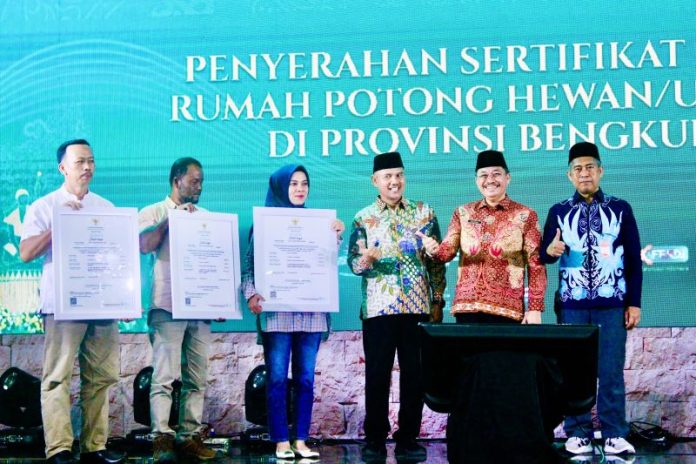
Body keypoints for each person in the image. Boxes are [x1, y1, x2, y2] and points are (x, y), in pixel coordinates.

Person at [19, 139, 126, 464]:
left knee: (101, 377)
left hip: (102, 305)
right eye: (80, 161)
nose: (87, 167)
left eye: (91, 161)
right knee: (57, 377)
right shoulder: (44, 206)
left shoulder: (106, 207)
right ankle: (59, 448)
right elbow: (26, 253)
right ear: (62, 167)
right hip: (61, 307)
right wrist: (59, 225)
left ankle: (95, 446)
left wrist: (123, 298)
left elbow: (117, 257)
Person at [540, 141, 642, 456]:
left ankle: (614, 433)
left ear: (600, 171)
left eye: (589, 168)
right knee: (574, 371)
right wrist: (550, 250)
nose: (584, 173)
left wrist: (634, 303)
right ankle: (578, 432)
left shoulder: (620, 208)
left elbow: (634, 260)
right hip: (572, 305)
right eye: (578, 169)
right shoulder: (558, 211)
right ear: (569, 176)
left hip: (612, 303)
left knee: (611, 370)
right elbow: (543, 255)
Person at [347, 152, 446, 461]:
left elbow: (437, 260)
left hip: (417, 305)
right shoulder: (363, 218)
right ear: (375, 181)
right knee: (377, 375)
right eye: (388, 176)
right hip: (379, 308)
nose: (394, 181)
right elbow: (354, 264)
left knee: (415, 376)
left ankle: (408, 439)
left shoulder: (424, 213)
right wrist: (366, 260)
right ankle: (375, 439)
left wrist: (438, 298)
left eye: (399, 175)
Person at [242, 164, 344, 460]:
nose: (300, 189)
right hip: (278, 315)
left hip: (311, 314)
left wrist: (336, 236)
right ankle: (280, 441)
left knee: (306, 380)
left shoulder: (320, 224)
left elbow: (327, 264)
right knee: (276, 379)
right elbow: (249, 268)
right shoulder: (264, 224)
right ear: (280, 187)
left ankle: (300, 440)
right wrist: (251, 294)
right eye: (293, 183)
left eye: (304, 183)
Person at [138, 157, 217, 463]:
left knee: (197, 377)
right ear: (176, 180)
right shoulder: (153, 212)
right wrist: (171, 220)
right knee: (164, 377)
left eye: (202, 182)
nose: (200, 187)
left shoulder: (206, 217)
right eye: (194, 181)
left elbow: (214, 261)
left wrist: (219, 299)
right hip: (166, 306)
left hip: (200, 308)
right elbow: (144, 245)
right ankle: (161, 438)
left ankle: (189, 436)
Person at [419, 150, 546, 324]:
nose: (490, 180)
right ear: (476, 180)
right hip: (467, 308)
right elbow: (446, 252)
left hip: (507, 311)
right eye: (483, 175)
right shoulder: (463, 213)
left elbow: (536, 264)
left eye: (496, 174)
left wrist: (535, 308)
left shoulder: (525, 215)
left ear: (508, 178)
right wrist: (433, 250)